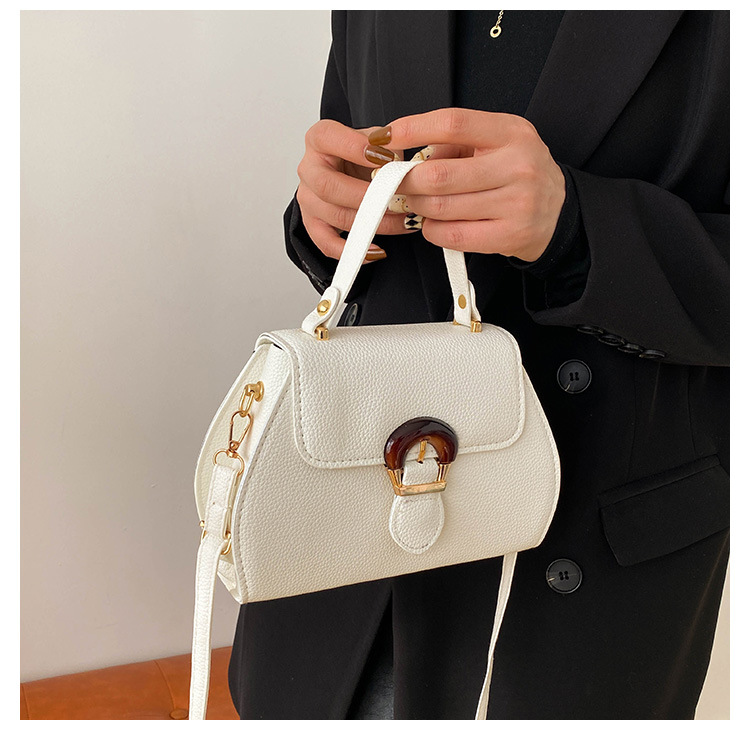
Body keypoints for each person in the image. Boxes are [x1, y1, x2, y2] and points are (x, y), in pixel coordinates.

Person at [228, 10, 729, 720]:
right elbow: (353, 166)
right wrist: (326, 212)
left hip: (589, 555)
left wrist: (582, 230)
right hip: (348, 517)